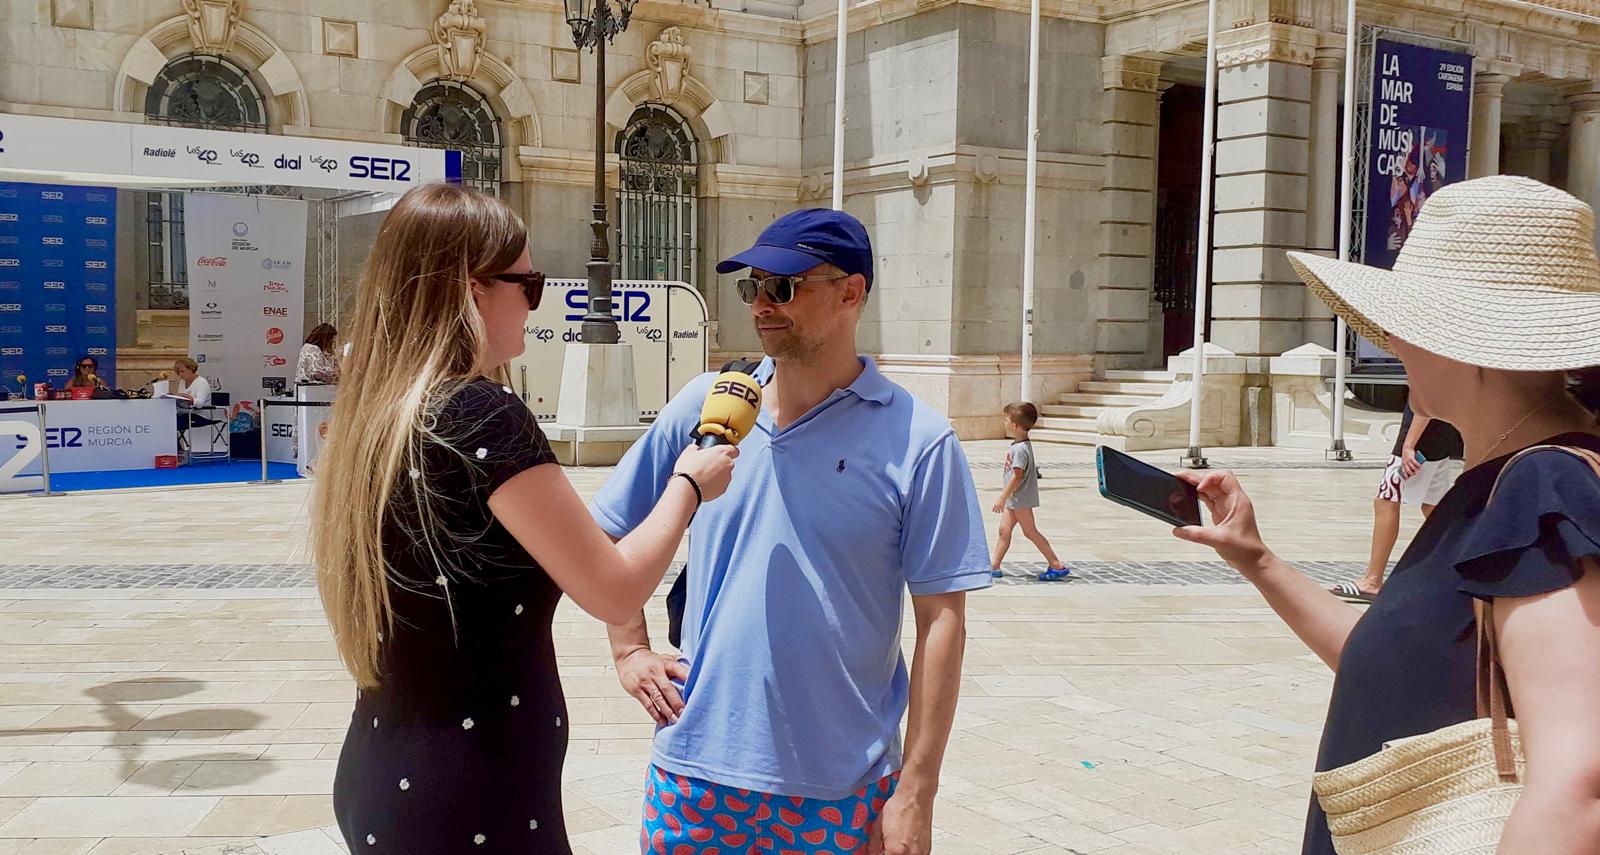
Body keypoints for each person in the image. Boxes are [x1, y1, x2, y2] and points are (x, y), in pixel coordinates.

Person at [1175, 175, 1600, 855]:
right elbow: (1396, 666)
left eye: (1409, 320)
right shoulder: (1497, 481)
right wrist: (1257, 558)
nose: (1394, 341)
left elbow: (1576, 790)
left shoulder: (1545, 489)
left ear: (1469, 339)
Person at [310, 183, 737, 854]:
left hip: (385, 771)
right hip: (470, 796)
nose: (536, 304)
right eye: (528, 284)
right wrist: (689, 482)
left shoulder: (376, 417)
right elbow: (613, 588)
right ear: (472, 289)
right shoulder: (482, 418)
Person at [592, 208, 990, 855]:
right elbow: (607, 531)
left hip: (844, 790)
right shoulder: (705, 405)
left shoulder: (919, 440)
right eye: (753, 287)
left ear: (850, 292)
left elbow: (943, 619)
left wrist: (917, 791)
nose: (761, 305)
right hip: (696, 778)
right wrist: (629, 649)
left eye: (783, 286)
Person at [1329, 403, 1463, 602]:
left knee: (1386, 501)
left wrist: (1408, 445)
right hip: (1441, 436)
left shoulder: (1431, 369)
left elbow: (1425, 400)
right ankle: (1462, 570)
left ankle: (1372, 580)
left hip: (1419, 442)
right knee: (1435, 508)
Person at [989, 401, 1071, 581]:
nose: (1004, 422)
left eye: (1006, 419)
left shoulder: (1020, 449)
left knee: (1030, 531)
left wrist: (1002, 497)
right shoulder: (1018, 445)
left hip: (1020, 499)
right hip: (1015, 498)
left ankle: (1056, 564)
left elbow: (1017, 476)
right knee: (1004, 530)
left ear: (1014, 425)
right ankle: (994, 565)